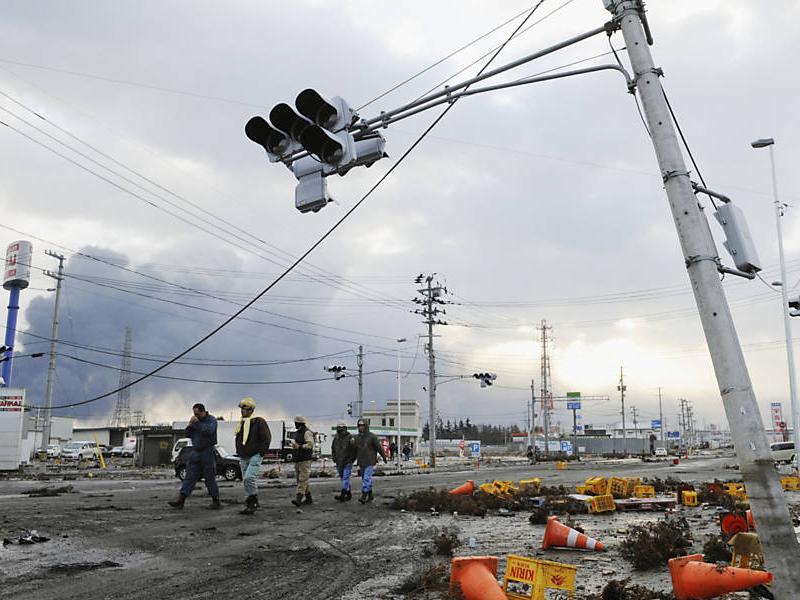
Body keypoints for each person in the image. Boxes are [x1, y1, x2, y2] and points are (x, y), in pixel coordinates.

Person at [169, 403, 220, 509]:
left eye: (197, 414)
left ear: (203, 412)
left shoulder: (211, 420)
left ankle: (215, 500)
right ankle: (181, 500)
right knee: (189, 476)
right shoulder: (195, 422)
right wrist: (190, 425)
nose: (195, 416)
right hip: (196, 451)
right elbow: (187, 434)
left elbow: (208, 431)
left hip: (207, 451)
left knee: (209, 477)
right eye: (194, 414)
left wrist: (197, 423)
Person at [234, 397, 271, 515]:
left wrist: (261, 452)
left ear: (251, 410)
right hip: (243, 455)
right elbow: (238, 438)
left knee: (249, 478)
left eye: (244, 409)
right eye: (241, 409)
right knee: (246, 480)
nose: (242, 411)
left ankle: (253, 501)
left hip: (255, 454)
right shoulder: (241, 423)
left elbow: (266, 438)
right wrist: (239, 450)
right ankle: (250, 502)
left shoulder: (259, 422)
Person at [352, 418, 387, 504]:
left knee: (366, 478)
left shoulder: (372, 437)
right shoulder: (357, 438)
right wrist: (352, 459)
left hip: (370, 461)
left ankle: (364, 495)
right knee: (365, 479)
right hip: (361, 461)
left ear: (366, 426)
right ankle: (370, 495)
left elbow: (379, 448)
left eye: (362, 425)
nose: (361, 427)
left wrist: (384, 457)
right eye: (359, 426)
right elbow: (355, 450)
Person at [291, 415, 315, 507]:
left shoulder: (306, 432)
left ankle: (299, 499)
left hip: (305, 459)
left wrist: (300, 447)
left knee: (302, 479)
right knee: (301, 480)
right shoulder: (298, 432)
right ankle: (309, 498)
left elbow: (310, 445)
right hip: (298, 459)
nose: (295, 424)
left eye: (296, 423)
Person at [331, 421, 356, 502]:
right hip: (339, 462)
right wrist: (334, 458)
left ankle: (343, 494)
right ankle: (348, 494)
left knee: (345, 478)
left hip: (347, 462)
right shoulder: (336, 439)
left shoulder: (350, 438)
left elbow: (354, 450)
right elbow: (333, 449)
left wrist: (351, 459)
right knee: (343, 478)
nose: (340, 431)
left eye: (341, 429)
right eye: (338, 429)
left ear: (345, 429)